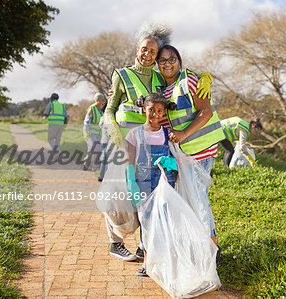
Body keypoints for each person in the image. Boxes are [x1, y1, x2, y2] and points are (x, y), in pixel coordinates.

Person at [102, 23, 212, 261]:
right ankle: (115, 242)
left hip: (151, 142)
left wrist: (205, 77)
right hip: (125, 140)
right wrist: (113, 132)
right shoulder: (121, 74)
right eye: (144, 49)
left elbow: (179, 76)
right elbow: (109, 109)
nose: (147, 54)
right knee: (118, 191)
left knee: (148, 191)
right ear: (136, 49)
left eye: (152, 51)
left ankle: (145, 245)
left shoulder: (159, 76)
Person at [156, 45, 225, 262]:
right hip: (183, 153)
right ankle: (199, 243)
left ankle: (213, 248)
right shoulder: (162, 89)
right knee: (190, 198)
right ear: (158, 65)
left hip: (202, 149)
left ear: (179, 60)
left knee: (198, 197)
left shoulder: (190, 80)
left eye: (172, 59)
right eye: (163, 60)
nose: (168, 64)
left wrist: (184, 133)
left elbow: (206, 112)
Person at [124, 93, 177, 276]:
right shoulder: (134, 134)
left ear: (164, 112)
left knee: (163, 220)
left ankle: (163, 260)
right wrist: (131, 182)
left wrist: (172, 164)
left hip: (164, 182)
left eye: (160, 110)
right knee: (146, 221)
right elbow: (129, 161)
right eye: (151, 109)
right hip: (143, 183)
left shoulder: (168, 134)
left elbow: (178, 158)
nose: (155, 114)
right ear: (144, 109)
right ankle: (147, 261)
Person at [83, 92, 106, 171]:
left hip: (99, 133)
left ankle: (88, 164)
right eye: (102, 100)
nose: (103, 101)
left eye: (104, 100)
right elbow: (87, 122)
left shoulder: (102, 109)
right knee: (94, 149)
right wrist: (88, 132)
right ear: (97, 100)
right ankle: (93, 166)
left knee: (97, 149)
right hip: (91, 133)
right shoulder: (92, 108)